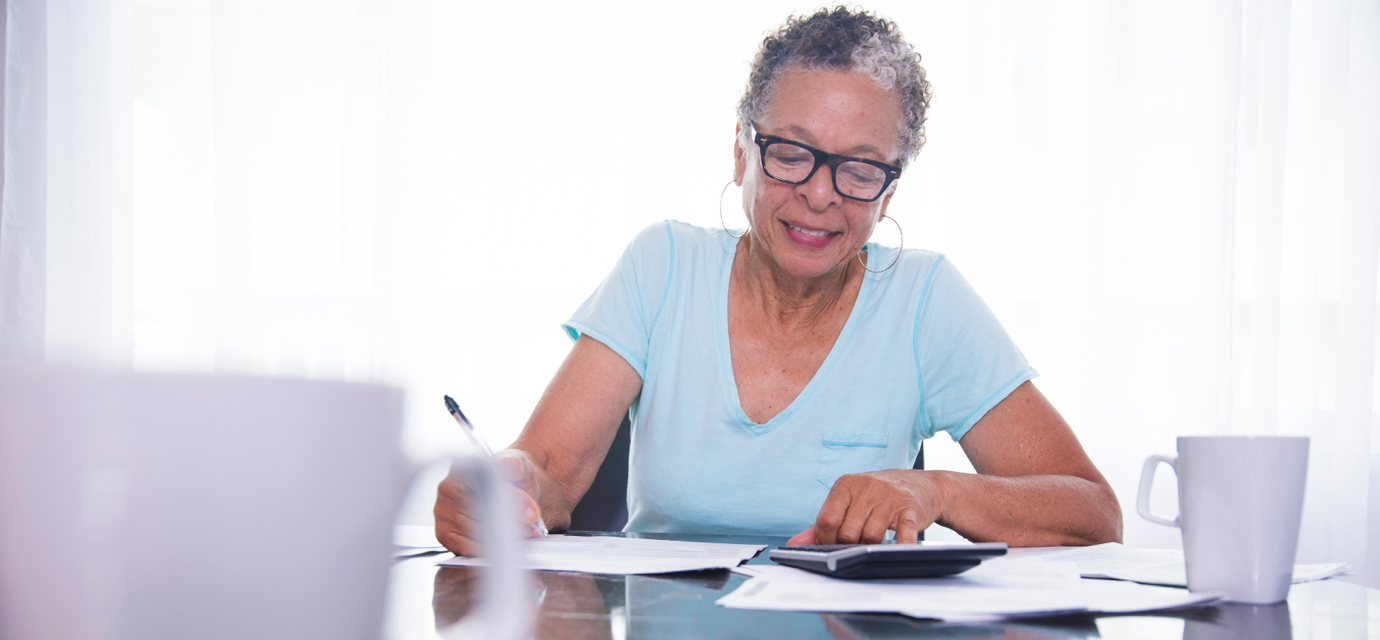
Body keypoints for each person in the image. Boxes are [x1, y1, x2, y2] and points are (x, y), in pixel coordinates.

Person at [435, 6, 1122, 556]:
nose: (821, 194)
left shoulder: (926, 300)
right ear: (742, 152)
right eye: (791, 153)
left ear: (889, 191)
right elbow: (550, 480)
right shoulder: (663, 265)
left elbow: (1093, 511)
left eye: (860, 169)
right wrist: (503, 495)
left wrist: (938, 491)